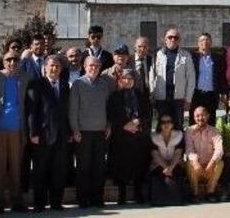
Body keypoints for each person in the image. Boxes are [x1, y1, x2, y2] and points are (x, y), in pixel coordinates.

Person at [0, 48, 31, 214]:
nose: (12, 63)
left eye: (15, 60)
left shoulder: (25, 78)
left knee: (16, 167)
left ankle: (17, 201)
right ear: (3, 61)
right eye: (9, 60)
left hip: (18, 129)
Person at [26, 56, 71, 212]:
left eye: (57, 66)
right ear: (45, 68)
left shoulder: (65, 86)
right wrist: (33, 133)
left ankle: (56, 202)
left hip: (61, 135)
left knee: (58, 170)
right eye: (51, 66)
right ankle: (39, 203)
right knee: (40, 170)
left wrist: (69, 132)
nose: (54, 69)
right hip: (42, 135)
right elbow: (32, 111)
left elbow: (67, 112)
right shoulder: (36, 85)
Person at [69, 55, 113, 208]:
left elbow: (108, 107)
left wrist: (108, 125)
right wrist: (75, 129)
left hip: (100, 132)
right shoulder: (78, 84)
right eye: (91, 65)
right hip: (83, 132)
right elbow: (73, 109)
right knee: (83, 167)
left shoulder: (104, 84)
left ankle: (97, 198)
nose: (93, 68)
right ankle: (83, 199)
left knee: (99, 167)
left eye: (96, 66)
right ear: (85, 66)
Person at [107, 68, 151, 205]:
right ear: (121, 80)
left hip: (138, 135)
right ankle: (122, 194)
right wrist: (124, 125)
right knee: (121, 165)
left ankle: (138, 193)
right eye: (125, 78)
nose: (128, 81)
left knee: (139, 163)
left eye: (130, 78)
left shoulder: (142, 96)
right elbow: (111, 114)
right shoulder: (115, 96)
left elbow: (148, 114)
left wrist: (137, 122)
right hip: (121, 135)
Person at [149, 28, 195, 129]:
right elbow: (152, 76)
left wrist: (188, 100)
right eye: (170, 37)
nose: (172, 39)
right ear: (165, 40)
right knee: (161, 126)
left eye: (176, 37)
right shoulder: (157, 55)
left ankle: (178, 145)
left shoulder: (186, 56)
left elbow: (191, 79)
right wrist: (152, 94)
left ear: (179, 40)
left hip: (178, 99)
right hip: (161, 98)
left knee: (178, 126)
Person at [184, 106, 224, 202]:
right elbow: (189, 149)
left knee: (220, 163)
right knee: (190, 163)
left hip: (209, 168)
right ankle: (195, 193)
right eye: (197, 116)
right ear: (194, 117)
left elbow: (219, 149)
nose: (200, 118)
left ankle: (210, 191)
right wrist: (195, 162)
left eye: (203, 115)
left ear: (208, 116)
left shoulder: (215, 131)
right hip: (196, 169)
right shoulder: (189, 131)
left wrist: (212, 162)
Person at [149, 114, 188, 206]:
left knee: (177, 173)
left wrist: (170, 168)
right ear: (159, 124)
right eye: (163, 122)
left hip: (175, 164)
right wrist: (166, 168)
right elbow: (155, 155)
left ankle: (178, 199)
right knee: (158, 175)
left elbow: (178, 154)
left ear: (173, 124)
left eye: (169, 121)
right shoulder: (153, 137)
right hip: (159, 164)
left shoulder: (179, 135)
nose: (166, 124)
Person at [190, 33, 226, 126]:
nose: (205, 42)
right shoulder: (192, 57)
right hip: (196, 94)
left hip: (211, 95)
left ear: (211, 42)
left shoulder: (217, 58)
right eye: (202, 40)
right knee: (194, 120)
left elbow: (221, 75)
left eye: (207, 40)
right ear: (198, 43)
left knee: (210, 120)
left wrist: (222, 92)